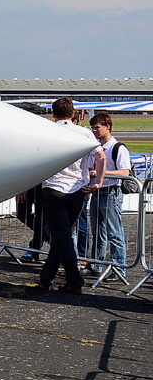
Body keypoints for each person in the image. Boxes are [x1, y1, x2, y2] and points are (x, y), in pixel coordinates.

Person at [40, 98, 105, 295]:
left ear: (53, 114)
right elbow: (101, 156)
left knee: (62, 236)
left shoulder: (46, 130)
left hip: (53, 187)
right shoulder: (84, 132)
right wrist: (98, 183)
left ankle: (74, 280)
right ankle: (46, 277)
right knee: (63, 235)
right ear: (73, 114)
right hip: (78, 189)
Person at [81, 112, 131, 275]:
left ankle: (119, 269)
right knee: (97, 232)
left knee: (114, 233)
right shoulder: (95, 148)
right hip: (97, 191)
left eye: (97, 127)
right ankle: (96, 264)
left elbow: (125, 172)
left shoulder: (118, 148)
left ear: (107, 127)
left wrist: (103, 173)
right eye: (92, 128)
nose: (94, 131)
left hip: (111, 192)